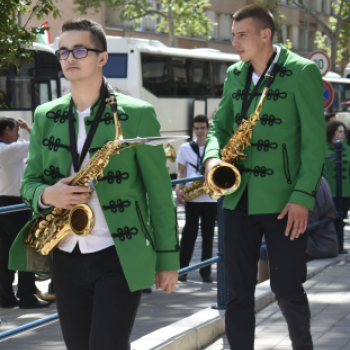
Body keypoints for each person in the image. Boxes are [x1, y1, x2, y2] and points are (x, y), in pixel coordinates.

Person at [9, 18, 179, 350]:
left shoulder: (138, 113)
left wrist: (168, 260)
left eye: (80, 50)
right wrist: (48, 194)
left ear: (102, 58)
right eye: (63, 52)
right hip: (65, 253)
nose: (69, 57)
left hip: (119, 253)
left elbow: (160, 194)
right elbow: (29, 182)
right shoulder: (46, 115)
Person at [203, 5, 325, 350]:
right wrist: (212, 157)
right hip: (237, 197)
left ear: (265, 35)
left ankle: (304, 346)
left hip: (285, 202)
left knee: (287, 288)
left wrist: (303, 196)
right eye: (233, 36)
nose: (235, 43)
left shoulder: (301, 72)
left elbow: (315, 143)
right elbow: (219, 126)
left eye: (242, 35)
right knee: (237, 293)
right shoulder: (234, 74)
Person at [0, 117, 50, 309]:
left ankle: (5, 297)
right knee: (27, 249)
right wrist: (29, 127)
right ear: (6, 130)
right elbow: (40, 141)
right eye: (15, 130)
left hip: (3, 204)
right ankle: (27, 296)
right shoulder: (8, 150)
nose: (18, 134)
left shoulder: (6, 149)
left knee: (4, 253)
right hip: (14, 205)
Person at [175, 115, 217, 283]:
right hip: (192, 197)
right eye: (197, 128)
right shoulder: (185, 148)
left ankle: (205, 272)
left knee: (208, 235)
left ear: (207, 129)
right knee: (188, 234)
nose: (200, 131)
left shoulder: (213, 148)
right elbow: (182, 171)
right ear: (194, 130)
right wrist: (178, 190)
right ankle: (183, 269)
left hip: (210, 198)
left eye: (203, 128)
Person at [323, 120, 350, 252]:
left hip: (345, 191)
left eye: (344, 132)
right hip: (328, 191)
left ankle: (339, 245)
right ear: (331, 132)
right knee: (330, 220)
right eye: (339, 131)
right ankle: (331, 246)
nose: (342, 134)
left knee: (342, 219)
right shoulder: (323, 149)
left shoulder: (348, 150)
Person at [306, 177, 339, 261]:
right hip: (322, 243)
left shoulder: (309, 183)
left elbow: (306, 222)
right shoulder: (317, 179)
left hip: (316, 246)